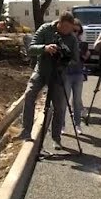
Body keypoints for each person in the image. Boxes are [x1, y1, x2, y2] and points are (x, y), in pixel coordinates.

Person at [19, 11, 79, 151]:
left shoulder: (72, 38)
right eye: (64, 27)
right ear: (59, 23)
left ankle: (56, 138)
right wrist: (45, 48)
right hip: (41, 70)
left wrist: (64, 58)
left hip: (59, 74)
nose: (66, 31)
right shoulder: (46, 29)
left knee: (59, 107)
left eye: (69, 28)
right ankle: (26, 131)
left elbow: (76, 60)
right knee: (29, 95)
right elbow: (31, 48)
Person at [62, 18, 89, 135]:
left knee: (77, 101)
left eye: (78, 31)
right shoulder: (64, 41)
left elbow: (82, 59)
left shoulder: (81, 43)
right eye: (74, 31)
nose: (76, 33)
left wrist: (86, 55)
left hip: (78, 73)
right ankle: (61, 125)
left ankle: (77, 125)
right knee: (64, 101)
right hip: (67, 74)